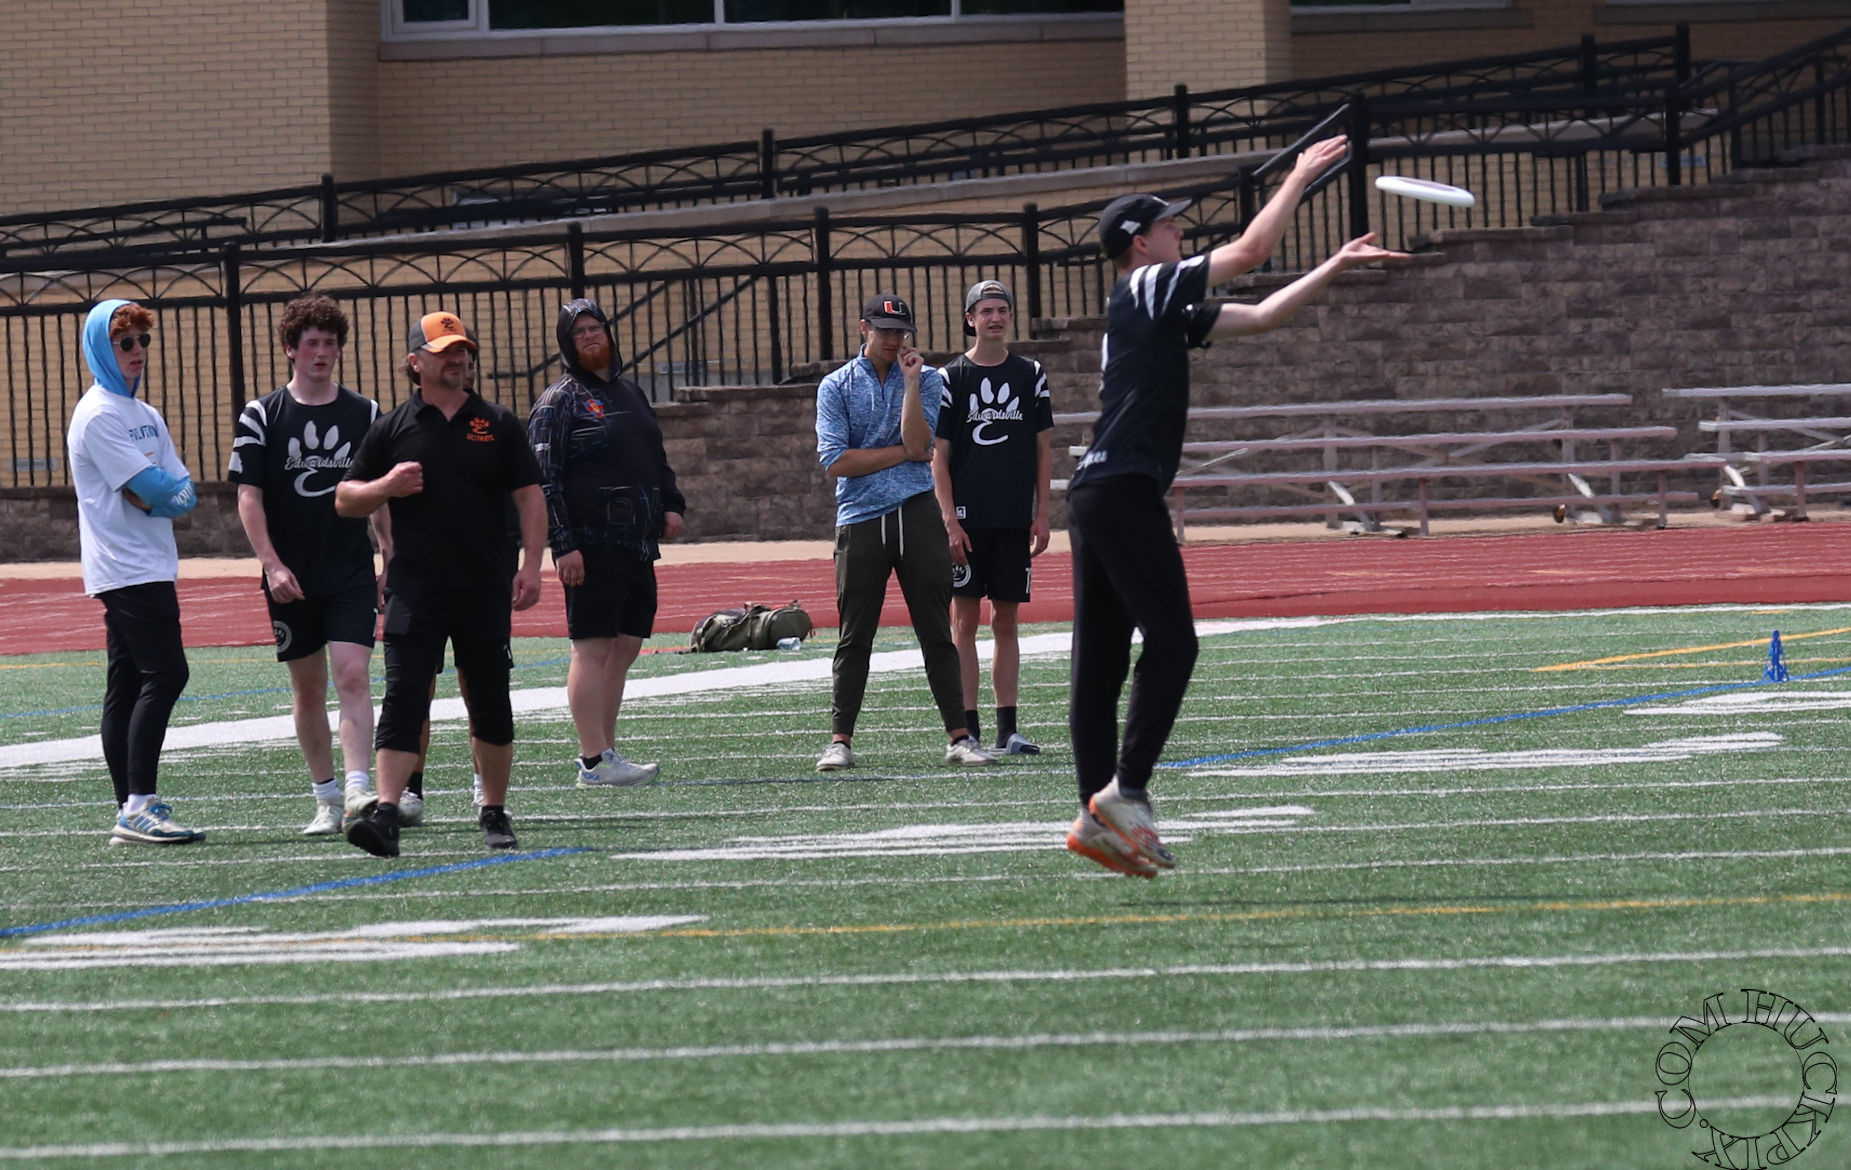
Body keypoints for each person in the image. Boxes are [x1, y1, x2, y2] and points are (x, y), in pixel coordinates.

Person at [1066, 140, 1404, 879]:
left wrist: (1334, 264)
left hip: (1098, 490)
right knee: (1173, 643)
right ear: (1139, 242)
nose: (1180, 232)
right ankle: (1124, 795)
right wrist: (1299, 177)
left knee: (1101, 664)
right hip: (1120, 487)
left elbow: (1261, 316)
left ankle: (1099, 815)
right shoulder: (1145, 283)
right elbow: (1251, 252)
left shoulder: (1151, 304)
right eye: (1169, 225)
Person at [335, 310, 545, 857]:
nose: (458, 358)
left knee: (490, 699)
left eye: (463, 350)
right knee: (404, 698)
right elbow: (345, 498)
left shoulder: (497, 423)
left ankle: (493, 810)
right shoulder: (392, 428)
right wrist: (387, 484)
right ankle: (386, 811)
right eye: (446, 351)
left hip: (483, 586)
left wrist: (531, 566)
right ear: (415, 362)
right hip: (414, 588)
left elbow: (530, 496)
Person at [814, 293, 995, 773]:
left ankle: (959, 736)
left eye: (900, 332)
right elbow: (837, 460)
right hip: (859, 516)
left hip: (916, 510)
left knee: (936, 629)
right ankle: (840, 740)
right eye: (884, 330)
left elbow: (921, 442)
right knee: (855, 634)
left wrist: (911, 384)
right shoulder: (836, 385)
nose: (893, 340)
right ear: (864, 329)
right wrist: (901, 454)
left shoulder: (928, 379)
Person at [228, 295, 385, 837]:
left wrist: (389, 555)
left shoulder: (365, 413)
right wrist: (271, 565)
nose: (322, 352)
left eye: (330, 343)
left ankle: (359, 789)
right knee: (309, 688)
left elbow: (379, 495)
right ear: (290, 349)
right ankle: (326, 798)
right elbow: (248, 496)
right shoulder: (261, 415)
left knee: (353, 674)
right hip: (291, 576)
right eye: (312, 343)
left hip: (350, 570)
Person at [529, 299, 683, 788]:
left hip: (636, 544)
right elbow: (543, 480)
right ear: (567, 344)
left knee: (626, 645)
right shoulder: (558, 401)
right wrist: (563, 544)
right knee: (592, 647)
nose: (590, 336)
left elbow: (656, 456)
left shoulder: (630, 392)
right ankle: (593, 760)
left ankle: (608, 751)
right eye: (579, 333)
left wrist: (672, 504)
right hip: (590, 545)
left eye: (595, 328)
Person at [66, 299, 203, 845]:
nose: (137, 351)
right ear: (102, 349)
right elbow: (154, 488)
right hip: (126, 567)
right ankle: (139, 804)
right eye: (125, 343)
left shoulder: (145, 414)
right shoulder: (98, 415)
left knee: (125, 686)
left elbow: (182, 492)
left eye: (143, 340)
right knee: (168, 674)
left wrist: (161, 494)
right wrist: (160, 492)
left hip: (149, 563)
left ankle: (130, 806)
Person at [932, 278, 1052, 757]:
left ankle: (1008, 729)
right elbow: (938, 456)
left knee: (1007, 619)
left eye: (1002, 309)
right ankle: (969, 730)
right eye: (986, 311)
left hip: (1011, 518)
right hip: (966, 520)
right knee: (963, 620)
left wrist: (1042, 514)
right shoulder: (950, 378)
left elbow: (1043, 449)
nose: (995, 317)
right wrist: (949, 520)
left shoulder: (1031, 374)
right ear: (970, 319)